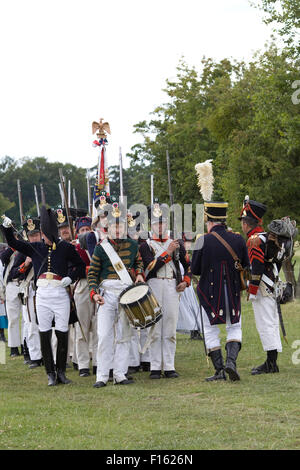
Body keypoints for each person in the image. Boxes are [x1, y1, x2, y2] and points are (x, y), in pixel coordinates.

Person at [1, 207, 86, 386]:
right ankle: (50, 373)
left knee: (62, 331)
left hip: (60, 292)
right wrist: (7, 228)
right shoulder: (35, 247)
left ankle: (61, 371)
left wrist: (70, 277)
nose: (43, 238)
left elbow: (79, 265)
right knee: (44, 332)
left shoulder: (65, 248)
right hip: (43, 294)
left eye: (45, 235)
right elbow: (14, 243)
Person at [88, 201, 144, 388]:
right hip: (107, 295)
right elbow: (93, 274)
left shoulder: (133, 245)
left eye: (120, 225)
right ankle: (102, 375)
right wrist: (94, 293)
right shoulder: (100, 248)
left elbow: (139, 265)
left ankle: (120, 373)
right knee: (104, 336)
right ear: (108, 227)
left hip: (127, 293)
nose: (118, 229)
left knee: (124, 335)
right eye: (114, 226)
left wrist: (139, 276)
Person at [191, 201, 249, 382]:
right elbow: (246, 265)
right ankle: (231, 362)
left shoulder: (202, 240)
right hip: (232, 290)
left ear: (209, 220)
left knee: (210, 330)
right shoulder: (238, 239)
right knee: (235, 326)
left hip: (209, 291)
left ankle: (220, 370)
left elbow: (195, 269)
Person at [239, 198, 295, 375]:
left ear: (247, 223)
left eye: (243, 222)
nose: (242, 225)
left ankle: (271, 364)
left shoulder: (255, 240)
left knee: (266, 325)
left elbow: (256, 267)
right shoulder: (266, 237)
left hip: (263, 287)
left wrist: (253, 290)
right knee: (270, 323)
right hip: (272, 284)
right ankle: (272, 362)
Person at [139, 201, 191, 379]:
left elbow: (188, 265)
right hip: (154, 285)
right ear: (151, 225)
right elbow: (149, 267)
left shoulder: (176, 243)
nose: (159, 226)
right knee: (154, 328)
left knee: (169, 326)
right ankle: (155, 366)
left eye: (162, 222)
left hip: (171, 286)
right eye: (156, 223)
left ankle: (169, 365)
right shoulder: (145, 245)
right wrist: (167, 252)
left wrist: (186, 281)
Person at [14, 217, 43, 368]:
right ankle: (35, 356)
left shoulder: (47, 247)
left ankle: (48, 355)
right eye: (31, 235)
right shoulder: (23, 251)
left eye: (36, 234)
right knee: (32, 325)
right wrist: (25, 264)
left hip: (46, 288)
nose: (34, 237)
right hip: (30, 290)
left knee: (47, 324)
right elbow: (14, 273)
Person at [73, 215, 98, 377]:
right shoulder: (74, 248)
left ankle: (97, 362)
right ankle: (83, 364)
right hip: (82, 285)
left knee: (98, 328)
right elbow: (72, 269)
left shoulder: (97, 245)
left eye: (87, 229)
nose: (85, 232)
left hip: (98, 285)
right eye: (82, 230)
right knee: (81, 328)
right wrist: (87, 270)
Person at [0, 230, 23, 357]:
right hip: (11, 284)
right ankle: (14, 347)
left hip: (24, 283)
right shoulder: (8, 251)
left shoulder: (25, 247)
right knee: (13, 318)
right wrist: (14, 245)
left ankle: (26, 346)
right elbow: (3, 258)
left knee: (26, 319)